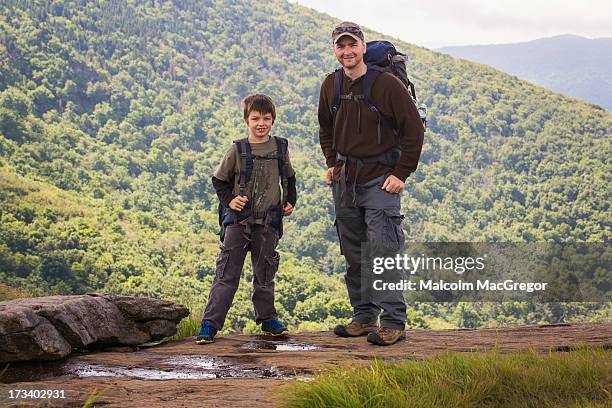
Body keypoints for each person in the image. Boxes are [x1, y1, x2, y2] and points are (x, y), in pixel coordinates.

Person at [318, 22, 424, 346]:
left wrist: (400, 174)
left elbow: (414, 131)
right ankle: (364, 317)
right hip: (346, 182)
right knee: (354, 254)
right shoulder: (330, 85)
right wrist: (332, 163)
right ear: (335, 50)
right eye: (341, 46)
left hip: (381, 181)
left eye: (353, 45)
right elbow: (325, 128)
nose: (347, 51)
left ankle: (393, 322)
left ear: (363, 47)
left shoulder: (386, 85)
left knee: (383, 252)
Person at [196, 94, 297, 344]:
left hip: (269, 222)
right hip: (239, 222)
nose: (261, 123)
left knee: (265, 272)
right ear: (246, 120)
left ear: (273, 120)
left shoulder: (280, 148)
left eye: (266, 118)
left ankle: (268, 319)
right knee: (227, 272)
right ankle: (209, 324)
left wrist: (290, 201)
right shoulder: (238, 149)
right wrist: (230, 200)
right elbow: (218, 180)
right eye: (255, 118)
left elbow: (290, 178)